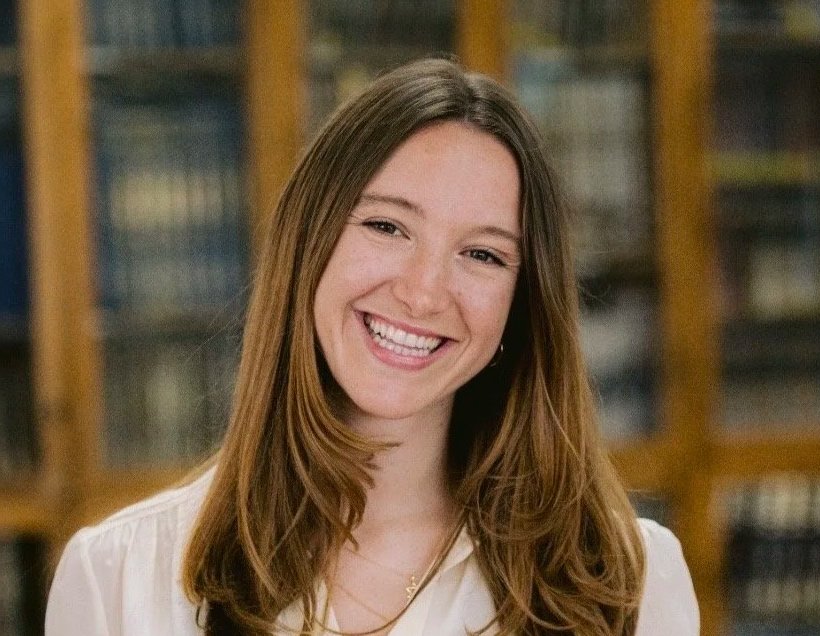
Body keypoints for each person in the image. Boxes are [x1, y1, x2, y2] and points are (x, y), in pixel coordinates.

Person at [45, 58, 699, 635]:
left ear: (521, 306)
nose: (421, 292)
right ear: (309, 242)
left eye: (482, 254)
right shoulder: (118, 579)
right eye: (387, 225)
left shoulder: (627, 584)